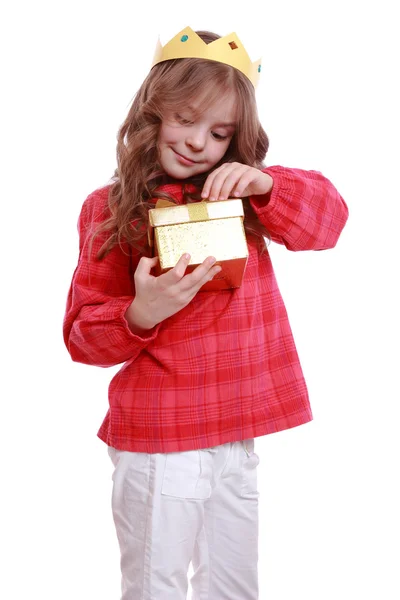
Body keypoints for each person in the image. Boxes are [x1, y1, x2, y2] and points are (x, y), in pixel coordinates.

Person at [63, 26, 349, 600]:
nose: (198, 143)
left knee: (235, 587)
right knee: (155, 587)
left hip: (236, 434)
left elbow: (329, 224)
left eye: (219, 133)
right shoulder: (109, 208)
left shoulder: (244, 198)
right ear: (153, 111)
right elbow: (80, 338)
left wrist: (266, 183)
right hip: (162, 434)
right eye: (185, 119)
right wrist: (140, 313)